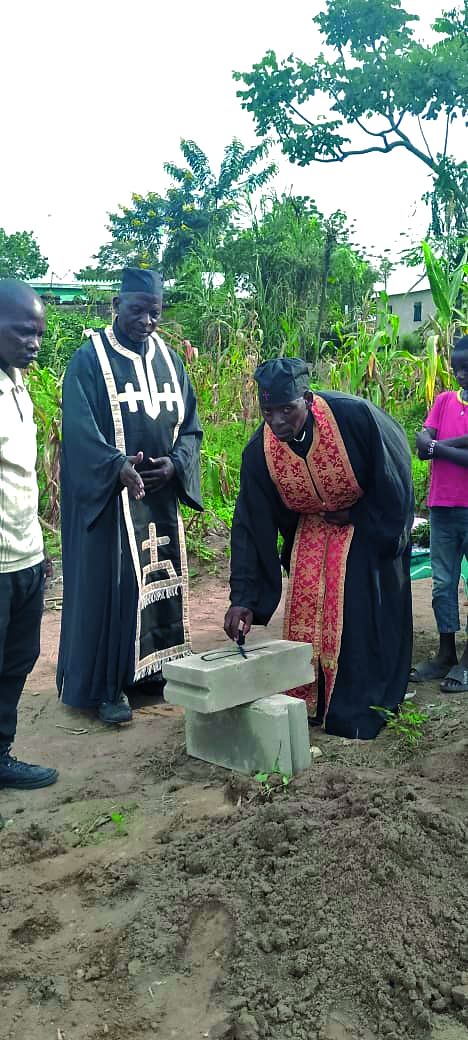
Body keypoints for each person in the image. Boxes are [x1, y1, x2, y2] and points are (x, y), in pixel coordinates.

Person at [224, 358, 414, 740]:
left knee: (358, 613)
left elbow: (394, 477)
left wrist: (359, 514)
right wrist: (243, 596)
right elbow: (250, 522)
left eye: (287, 410)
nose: (277, 421)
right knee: (308, 614)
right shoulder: (259, 452)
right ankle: (312, 701)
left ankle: (358, 704)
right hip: (309, 532)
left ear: (307, 399)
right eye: (267, 412)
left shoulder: (354, 419)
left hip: (366, 523)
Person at [57, 268, 203, 724]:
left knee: (157, 580)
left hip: (158, 497)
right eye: (137, 310)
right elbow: (79, 433)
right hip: (110, 500)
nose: (146, 321)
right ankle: (106, 687)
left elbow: (191, 426)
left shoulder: (170, 359)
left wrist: (176, 464)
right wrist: (116, 467)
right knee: (115, 586)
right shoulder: (88, 359)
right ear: (116, 306)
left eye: (155, 313)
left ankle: (151, 670)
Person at [0, 280, 58, 788]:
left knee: (18, 660)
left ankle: (0, 756)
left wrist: (38, 552)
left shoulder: (17, 381)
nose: (33, 343)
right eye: (24, 332)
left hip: (24, 556)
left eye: (38, 333)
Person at [411, 337, 468, 692]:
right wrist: (456, 445)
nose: (462, 373)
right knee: (443, 585)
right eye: (457, 366)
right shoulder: (444, 400)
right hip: (442, 508)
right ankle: (446, 654)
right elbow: (420, 449)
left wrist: (436, 446)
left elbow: (429, 445)